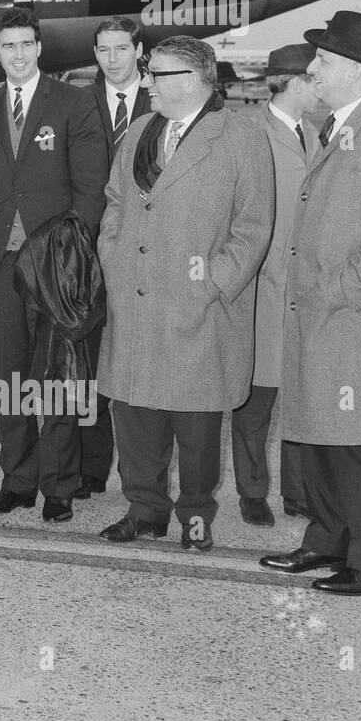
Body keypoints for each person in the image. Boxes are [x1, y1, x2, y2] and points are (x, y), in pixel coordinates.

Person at [97, 36, 273, 550]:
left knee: (195, 425)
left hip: (200, 309)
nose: (147, 81)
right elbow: (114, 203)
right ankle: (144, 509)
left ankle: (195, 516)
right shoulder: (138, 134)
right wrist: (113, 259)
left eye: (158, 74)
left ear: (193, 81)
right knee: (135, 417)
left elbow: (254, 226)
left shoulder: (240, 137)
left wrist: (214, 283)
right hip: (134, 301)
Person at [260, 12, 361, 595]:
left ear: (358, 71)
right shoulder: (344, 123)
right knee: (323, 438)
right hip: (324, 317)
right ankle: (328, 538)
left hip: (356, 320)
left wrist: (329, 293)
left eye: (324, 61)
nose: (311, 69)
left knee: (360, 446)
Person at [0, 9, 108, 522]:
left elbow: (92, 189)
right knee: (8, 380)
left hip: (55, 268)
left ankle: (59, 485)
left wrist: (68, 253)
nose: (18, 54)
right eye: (8, 45)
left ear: (40, 47)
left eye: (26, 44)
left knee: (58, 381)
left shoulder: (74, 104)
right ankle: (18, 481)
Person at [232, 43, 320, 527]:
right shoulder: (250, 134)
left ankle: (299, 491)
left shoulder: (318, 132)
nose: (320, 86)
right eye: (314, 78)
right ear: (293, 82)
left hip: (305, 291)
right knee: (256, 400)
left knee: (303, 395)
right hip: (263, 289)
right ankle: (251, 491)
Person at [77, 15, 151, 500]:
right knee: (88, 363)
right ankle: (90, 467)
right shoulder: (78, 102)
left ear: (138, 49)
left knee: (140, 363)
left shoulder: (163, 101)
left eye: (121, 48)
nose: (111, 59)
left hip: (144, 251)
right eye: (103, 50)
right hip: (86, 252)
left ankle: (142, 474)